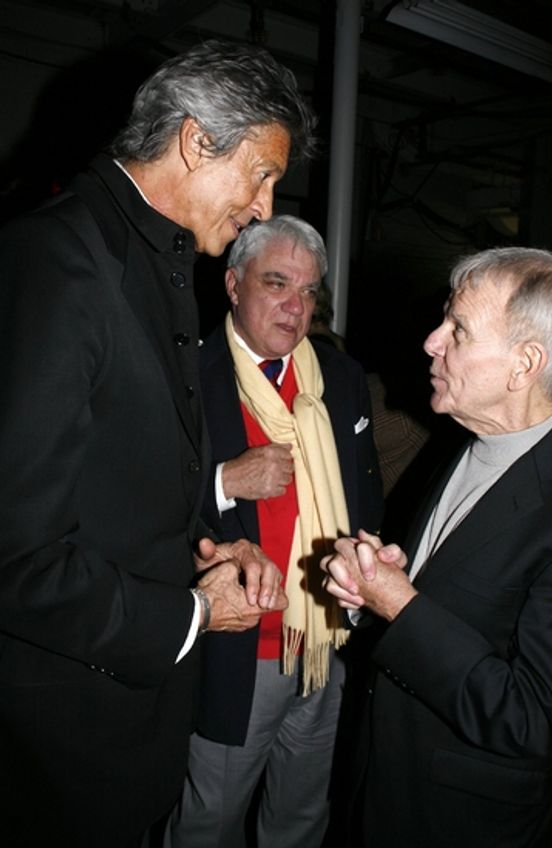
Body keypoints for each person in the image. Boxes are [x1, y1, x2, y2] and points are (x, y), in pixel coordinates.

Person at [0, 40, 315, 848]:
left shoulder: (150, 253)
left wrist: (208, 550)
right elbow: (13, 554)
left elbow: (116, 479)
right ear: (193, 140)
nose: (263, 206)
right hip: (55, 750)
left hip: (125, 734)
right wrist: (193, 610)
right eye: (260, 174)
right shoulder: (56, 261)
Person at [321, 247, 552, 848]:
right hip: (381, 788)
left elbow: (535, 721)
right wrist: (375, 592)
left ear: (524, 365)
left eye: (458, 329)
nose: (431, 341)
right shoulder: (468, 442)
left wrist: (401, 606)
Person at [163, 215, 383, 848]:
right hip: (237, 651)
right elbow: (139, 506)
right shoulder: (189, 377)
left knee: (302, 820)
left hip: (325, 644)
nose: (296, 307)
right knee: (209, 822)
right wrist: (224, 481)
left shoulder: (339, 379)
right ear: (233, 285)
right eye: (277, 283)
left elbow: (365, 496)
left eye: (309, 291)